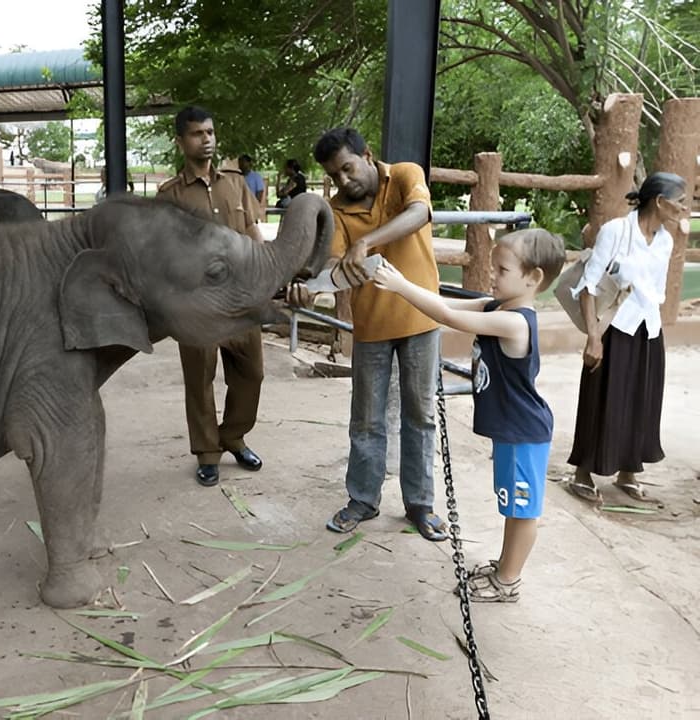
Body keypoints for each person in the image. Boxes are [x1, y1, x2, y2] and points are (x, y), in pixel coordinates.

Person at [373, 229, 566, 601]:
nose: (491, 275)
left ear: (533, 278)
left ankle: (509, 580)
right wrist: (404, 284)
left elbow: (447, 315)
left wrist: (399, 286)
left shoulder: (515, 322)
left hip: (525, 432)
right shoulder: (497, 308)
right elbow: (446, 303)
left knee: (524, 511)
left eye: (502, 269)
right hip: (512, 430)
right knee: (513, 504)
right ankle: (504, 566)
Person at [291, 127, 446, 541]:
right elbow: (336, 265)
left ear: (367, 154)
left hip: (420, 320)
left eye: (347, 168)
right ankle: (362, 499)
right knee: (365, 420)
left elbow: (419, 214)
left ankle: (420, 504)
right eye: (334, 175)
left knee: (421, 416)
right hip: (372, 327)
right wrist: (310, 286)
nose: (343, 181)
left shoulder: (406, 175)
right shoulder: (337, 210)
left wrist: (369, 243)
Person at [156, 106, 265, 487]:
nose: (207, 139)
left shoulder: (235, 184)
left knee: (252, 374)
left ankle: (233, 435)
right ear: (181, 141)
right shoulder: (169, 194)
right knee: (200, 380)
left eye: (211, 132)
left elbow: (253, 232)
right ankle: (207, 452)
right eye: (198, 133)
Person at [564, 172, 687, 503]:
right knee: (600, 397)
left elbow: (653, 290)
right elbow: (588, 287)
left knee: (642, 402)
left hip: (649, 328)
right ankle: (582, 473)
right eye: (680, 201)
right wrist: (593, 338)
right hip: (613, 328)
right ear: (659, 201)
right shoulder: (616, 231)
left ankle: (628, 472)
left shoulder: (665, 240)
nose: (683, 208)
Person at [238, 154, 267, 221]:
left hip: (251, 207)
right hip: (239, 207)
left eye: (243, 162)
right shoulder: (237, 176)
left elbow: (260, 191)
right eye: (240, 162)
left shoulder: (256, 177)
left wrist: (255, 205)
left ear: (249, 163)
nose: (241, 164)